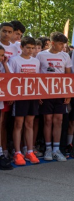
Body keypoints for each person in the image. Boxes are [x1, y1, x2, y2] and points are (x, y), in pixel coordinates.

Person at [36, 32, 72, 161]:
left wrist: (68, 93)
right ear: (52, 43)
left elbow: (68, 76)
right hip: (46, 93)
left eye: (64, 44)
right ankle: (48, 149)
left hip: (60, 92)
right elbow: (37, 75)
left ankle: (57, 149)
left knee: (59, 121)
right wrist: (38, 93)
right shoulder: (41, 55)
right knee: (47, 120)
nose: (63, 46)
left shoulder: (65, 55)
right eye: (60, 44)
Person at [9, 36, 41, 165]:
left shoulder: (36, 61)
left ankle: (29, 151)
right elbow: (10, 79)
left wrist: (39, 94)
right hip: (19, 96)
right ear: (21, 47)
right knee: (18, 124)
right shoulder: (14, 60)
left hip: (32, 96)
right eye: (28, 47)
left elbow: (38, 79)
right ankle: (17, 153)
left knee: (29, 124)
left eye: (32, 48)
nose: (30, 50)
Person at [0, 45, 12, 170]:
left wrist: (5, 64)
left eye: (2, 55)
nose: (1, 58)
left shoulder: (2, 66)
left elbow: (10, 78)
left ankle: (1, 154)